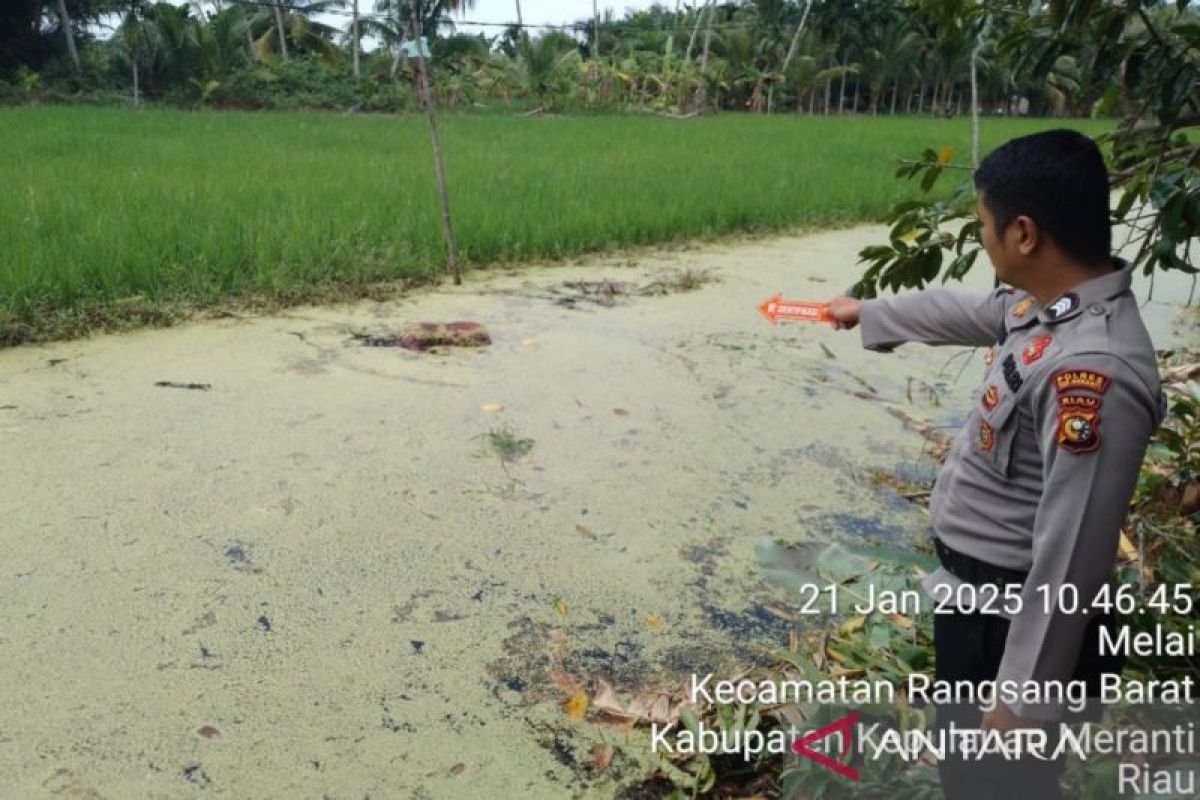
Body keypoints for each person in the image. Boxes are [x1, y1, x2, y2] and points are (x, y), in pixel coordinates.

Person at [826, 130, 1167, 799]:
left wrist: (1022, 697)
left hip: (1012, 631)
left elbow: (1073, 555)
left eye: (983, 225)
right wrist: (869, 312)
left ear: (1024, 234)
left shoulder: (1093, 371)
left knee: (1000, 787)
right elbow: (967, 308)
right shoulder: (1049, 306)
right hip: (979, 610)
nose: (981, 239)